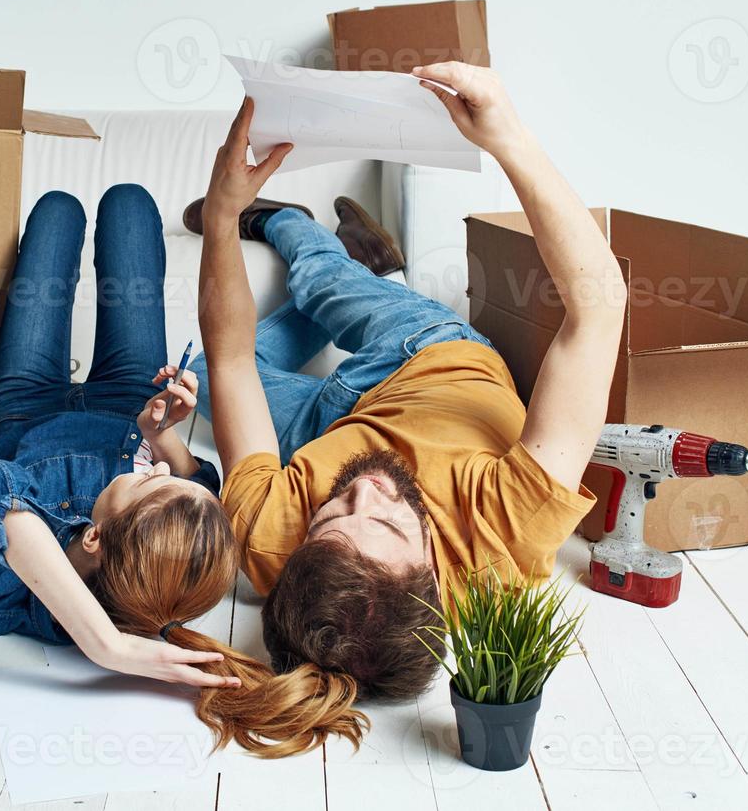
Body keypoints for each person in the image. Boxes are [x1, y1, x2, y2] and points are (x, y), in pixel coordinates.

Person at [191, 63, 626, 701]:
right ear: (433, 575)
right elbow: (599, 307)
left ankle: (311, 242)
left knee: (204, 370)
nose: (365, 491)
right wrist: (509, 137)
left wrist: (226, 213)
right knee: (312, 294)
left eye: (333, 518)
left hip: (368, 391)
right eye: (390, 524)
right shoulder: (502, 535)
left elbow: (229, 359)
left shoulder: (269, 539)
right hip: (439, 364)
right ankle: (336, 250)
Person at [0, 183, 366, 756]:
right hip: (125, 402)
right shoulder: (155, 546)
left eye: (152, 478)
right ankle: (348, 267)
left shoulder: (0, 602)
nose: (159, 471)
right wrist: (160, 434)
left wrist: (107, 647)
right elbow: (198, 487)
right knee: (130, 204)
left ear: (94, 535)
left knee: (55, 211)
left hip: (25, 405)